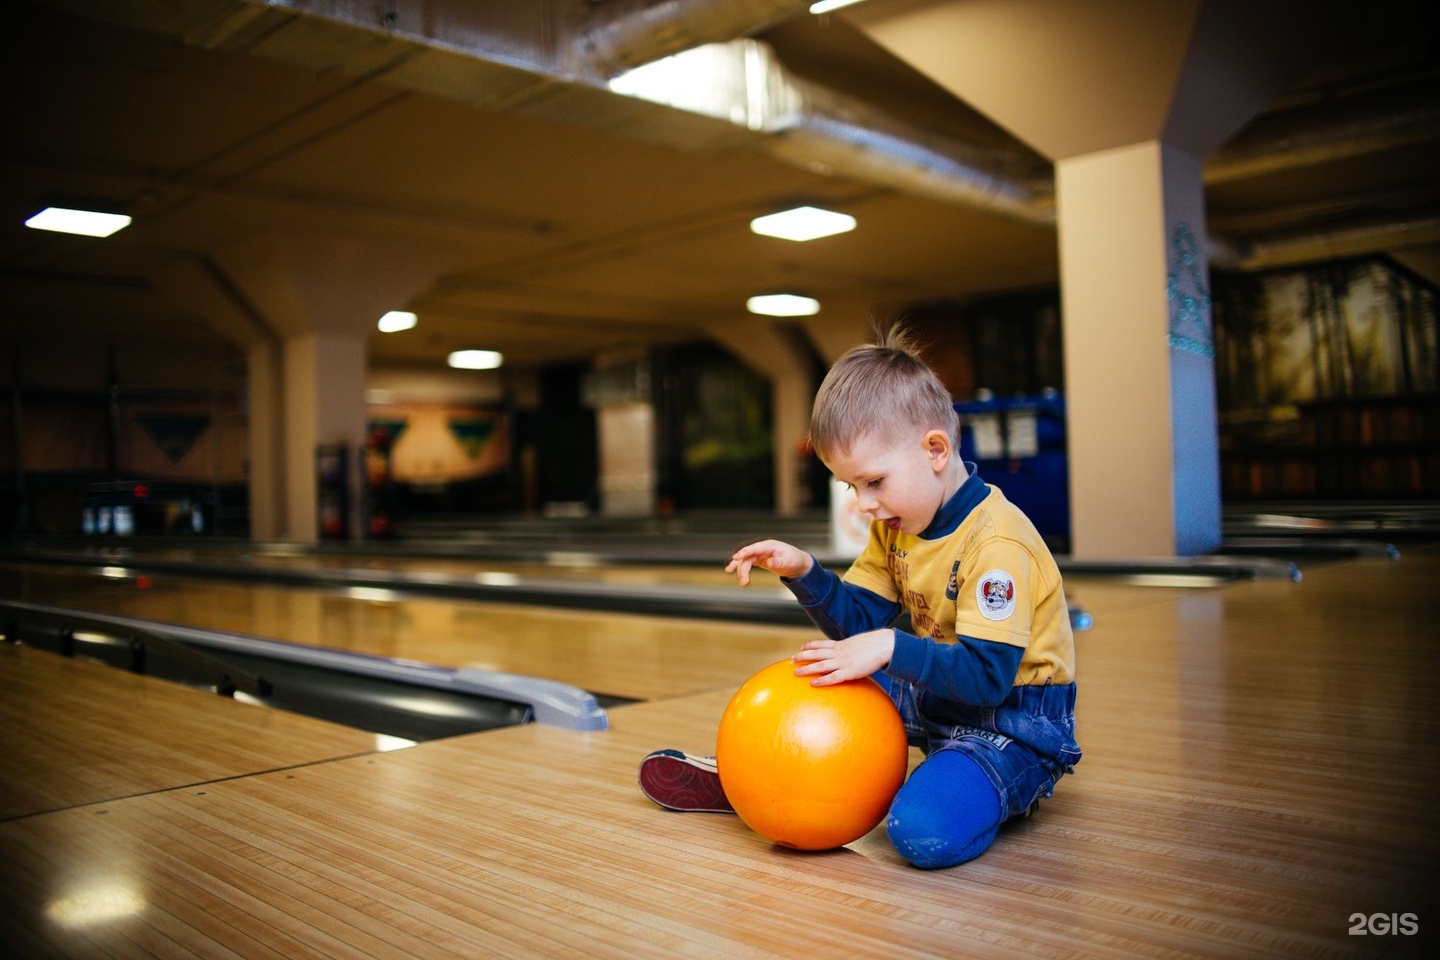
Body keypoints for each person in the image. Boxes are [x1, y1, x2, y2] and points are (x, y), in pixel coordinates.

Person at [638, 324, 1080, 869]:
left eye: (873, 481)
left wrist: (890, 647)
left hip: (1012, 721)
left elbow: (988, 679)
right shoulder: (895, 527)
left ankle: (966, 786)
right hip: (937, 695)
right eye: (852, 487)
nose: (864, 503)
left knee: (919, 831)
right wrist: (805, 572)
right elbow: (856, 624)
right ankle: (758, 785)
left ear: (935, 450)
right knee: (824, 672)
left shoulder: (998, 542)